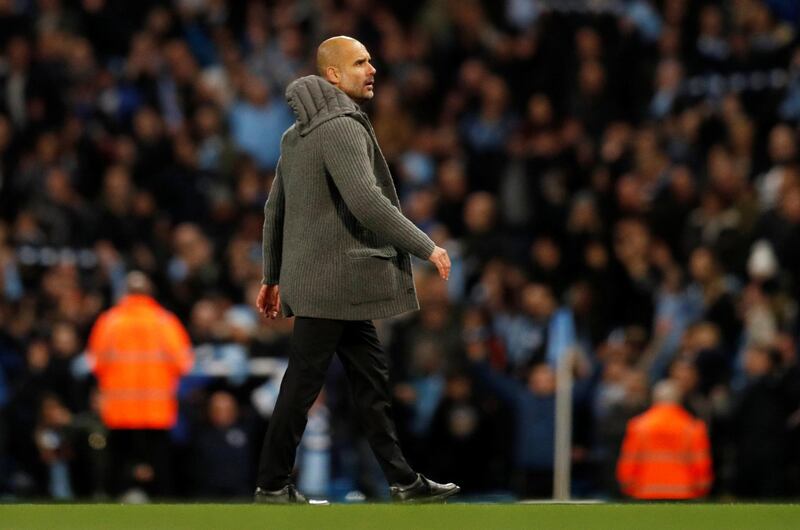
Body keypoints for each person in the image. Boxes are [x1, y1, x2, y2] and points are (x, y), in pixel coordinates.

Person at [254, 35, 459, 504]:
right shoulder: (343, 126)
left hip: (326, 283)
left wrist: (270, 276)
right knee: (307, 384)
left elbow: (274, 211)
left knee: (369, 381)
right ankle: (270, 483)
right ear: (332, 75)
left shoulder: (295, 135)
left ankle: (403, 480)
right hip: (336, 282)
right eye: (360, 62)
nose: (372, 69)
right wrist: (425, 246)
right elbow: (367, 203)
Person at [87, 271, 194, 498]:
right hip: (156, 411)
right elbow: (183, 364)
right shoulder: (165, 322)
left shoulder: (109, 322)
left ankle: (107, 512)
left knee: (115, 468)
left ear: (125, 292)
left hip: (120, 410)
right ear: (150, 292)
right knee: (161, 471)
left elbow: (95, 363)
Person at [616, 380, 713, 500]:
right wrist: (702, 487)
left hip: (646, 490)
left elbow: (630, 459)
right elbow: (700, 461)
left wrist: (627, 485)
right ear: (679, 400)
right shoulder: (693, 427)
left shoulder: (639, 426)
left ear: (654, 399)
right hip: (683, 491)